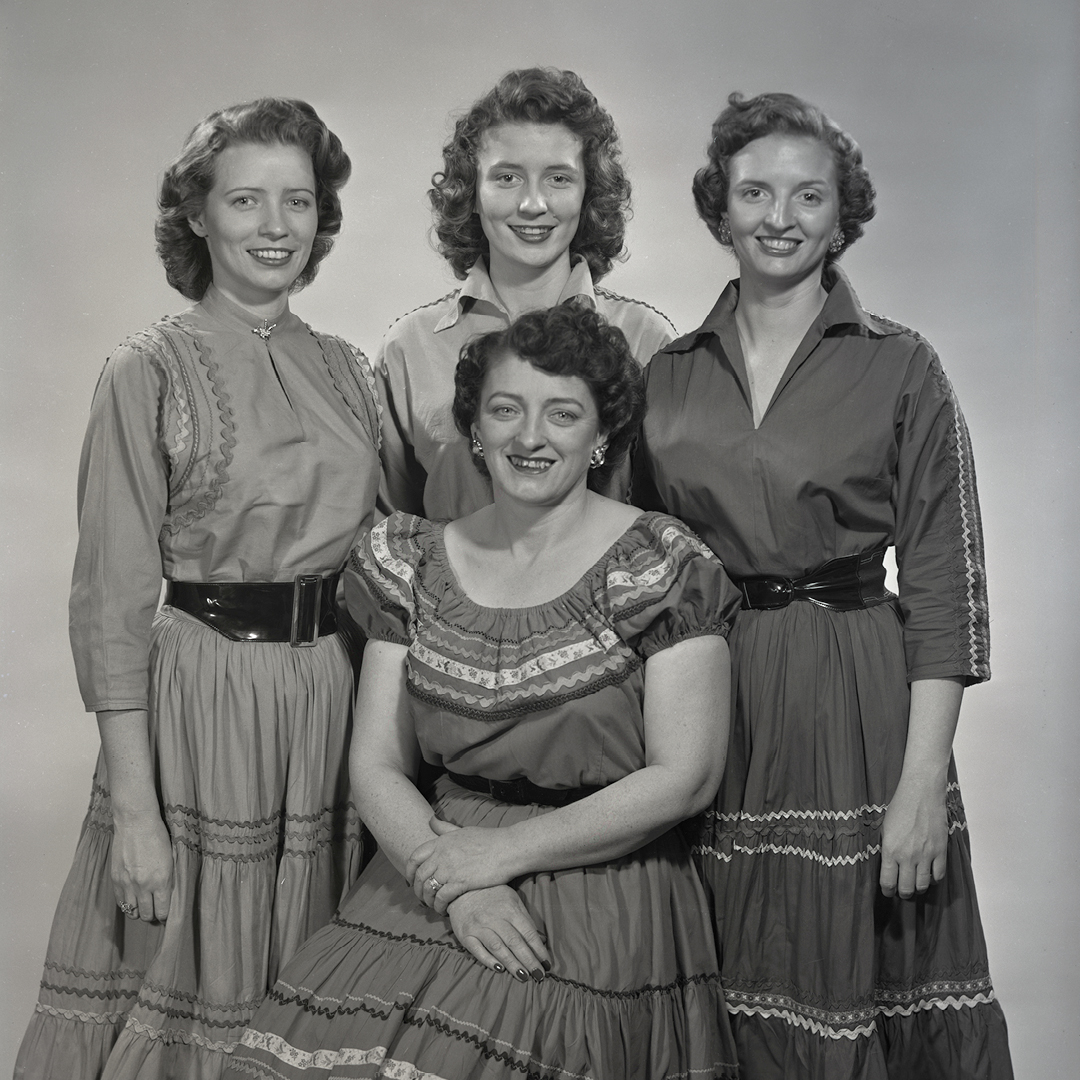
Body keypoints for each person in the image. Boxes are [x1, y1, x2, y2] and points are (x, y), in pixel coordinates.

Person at [225, 304, 741, 1080]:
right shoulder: (410, 560)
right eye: (506, 409)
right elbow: (376, 766)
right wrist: (457, 885)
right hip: (434, 856)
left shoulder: (663, 563)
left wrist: (498, 857)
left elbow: (685, 777)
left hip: (602, 872)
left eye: (562, 414)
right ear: (475, 428)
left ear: (601, 435)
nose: (530, 437)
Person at [633, 92, 1013, 1079]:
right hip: (714, 696)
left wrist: (922, 780)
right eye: (754, 191)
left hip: (859, 697)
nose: (779, 215)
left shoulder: (902, 364)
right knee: (722, 960)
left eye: (809, 195)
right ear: (719, 209)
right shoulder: (664, 376)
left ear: (844, 217)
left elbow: (942, 577)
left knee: (859, 963)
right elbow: (626, 566)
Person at [16, 98, 382, 1080]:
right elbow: (111, 601)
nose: (274, 226)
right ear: (198, 216)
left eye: (296, 201)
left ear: (321, 218)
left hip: (330, 707)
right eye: (247, 201)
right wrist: (137, 811)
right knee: (192, 980)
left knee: (305, 979)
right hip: (202, 706)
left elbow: (395, 560)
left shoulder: (354, 372)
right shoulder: (146, 371)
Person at [375, 66, 676, 520]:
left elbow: (666, 524)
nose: (533, 204)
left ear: (588, 193)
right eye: (507, 178)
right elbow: (388, 529)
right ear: (471, 193)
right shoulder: (409, 348)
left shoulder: (646, 340)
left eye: (558, 178)